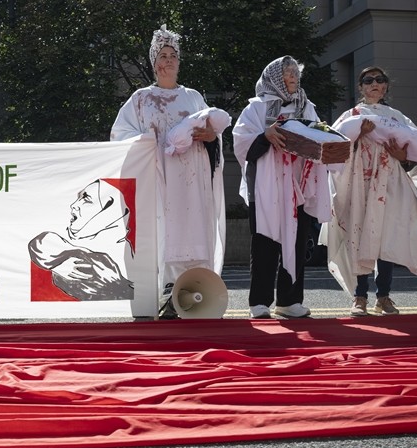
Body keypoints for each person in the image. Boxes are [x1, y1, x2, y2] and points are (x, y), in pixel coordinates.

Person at [110, 25, 228, 318]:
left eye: (173, 55)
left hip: (192, 181)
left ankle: (195, 290)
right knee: (163, 230)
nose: (169, 60)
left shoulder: (193, 97)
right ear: (154, 63)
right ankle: (165, 291)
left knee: (193, 227)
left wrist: (211, 137)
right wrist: (146, 142)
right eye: (163, 55)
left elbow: (213, 133)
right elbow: (119, 135)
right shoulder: (140, 99)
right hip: (159, 180)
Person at [232, 56, 332, 319]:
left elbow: (318, 134)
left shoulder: (306, 106)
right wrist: (265, 136)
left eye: (296, 73)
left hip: (298, 186)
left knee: (298, 243)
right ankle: (259, 302)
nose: (293, 77)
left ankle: (290, 300)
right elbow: (241, 144)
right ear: (275, 77)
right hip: (266, 187)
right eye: (288, 73)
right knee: (264, 242)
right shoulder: (257, 108)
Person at [327, 66, 417, 317]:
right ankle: (359, 296)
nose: (374, 83)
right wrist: (357, 136)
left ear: (385, 87)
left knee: (386, 235)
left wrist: (402, 155)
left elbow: (416, 151)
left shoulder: (397, 117)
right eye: (368, 80)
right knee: (359, 232)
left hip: (389, 181)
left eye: (379, 80)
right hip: (358, 182)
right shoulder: (351, 115)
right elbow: (332, 150)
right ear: (360, 87)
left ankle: (383, 296)